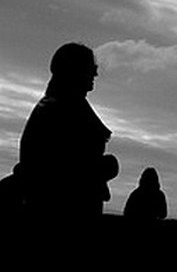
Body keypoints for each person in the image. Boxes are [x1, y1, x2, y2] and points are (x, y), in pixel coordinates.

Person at [17, 42, 119, 222]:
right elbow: (60, 170)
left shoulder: (63, 107)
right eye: (91, 68)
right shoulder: (58, 110)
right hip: (62, 214)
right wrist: (106, 166)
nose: (95, 73)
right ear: (75, 70)